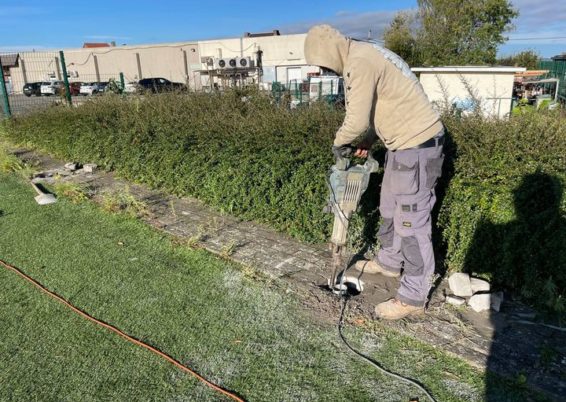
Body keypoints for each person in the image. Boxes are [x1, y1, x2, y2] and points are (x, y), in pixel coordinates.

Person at [304, 25, 445, 320]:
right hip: (402, 145)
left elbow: (354, 119)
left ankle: (413, 297)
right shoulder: (363, 53)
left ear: (329, 53)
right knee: (389, 206)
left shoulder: (359, 62)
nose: (324, 70)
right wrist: (368, 140)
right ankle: (390, 263)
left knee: (412, 222)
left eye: (322, 64)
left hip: (417, 147)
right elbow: (380, 107)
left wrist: (339, 142)